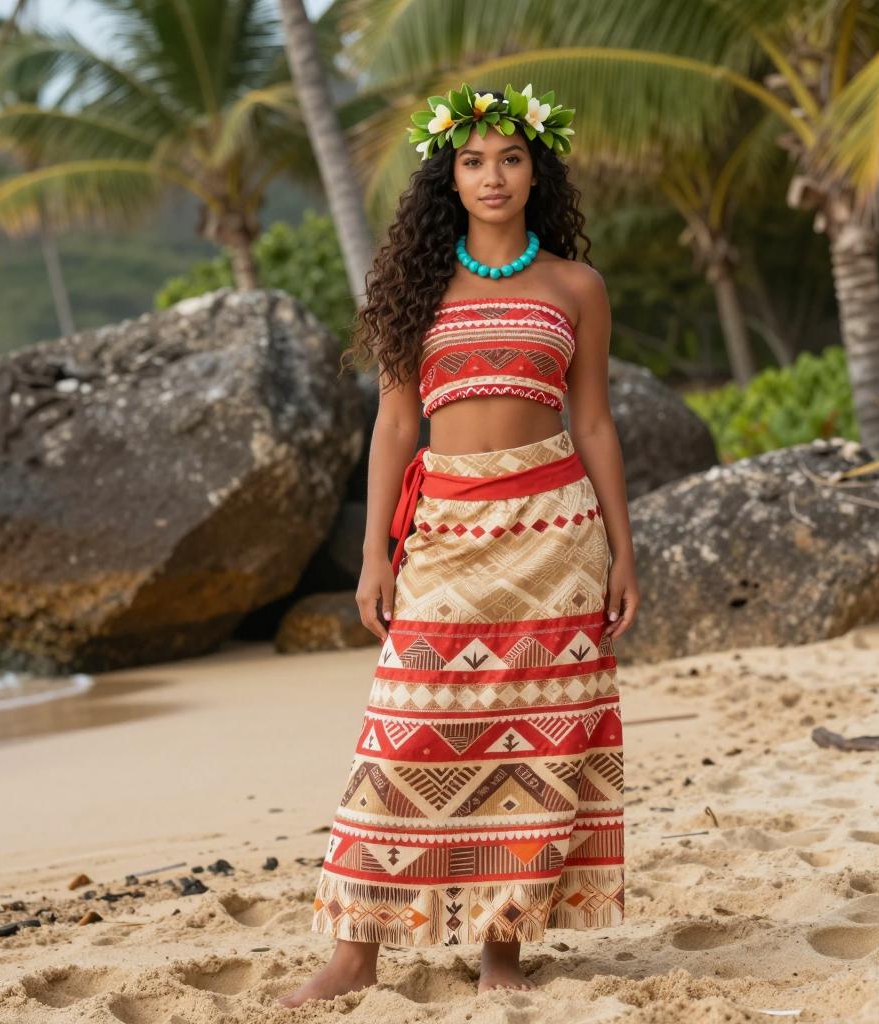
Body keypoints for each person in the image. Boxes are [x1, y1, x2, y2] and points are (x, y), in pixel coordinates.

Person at [278, 81, 639, 1008]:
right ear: (448, 174)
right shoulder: (416, 287)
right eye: (473, 160)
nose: (493, 176)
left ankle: (502, 952)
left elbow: (593, 422)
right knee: (403, 736)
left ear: (536, 170)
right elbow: (395, 428)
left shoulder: (574, 286)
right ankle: (356, 951)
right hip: (444, 535)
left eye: (511, 158)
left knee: (536, 744)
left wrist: (623, 553)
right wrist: (373, 556)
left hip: (557, 537)